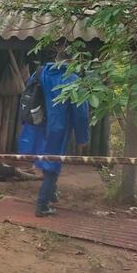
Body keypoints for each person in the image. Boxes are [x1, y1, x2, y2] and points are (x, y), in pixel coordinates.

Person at [18, 61, 89, 217]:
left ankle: (51, 192)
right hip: (58, 128)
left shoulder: (40, 73)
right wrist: (82, 137)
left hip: (37, 124)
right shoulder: (73, 80)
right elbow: (81, 112)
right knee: (52, 165)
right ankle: (42, 205)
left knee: (45, 159)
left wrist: (25, 119)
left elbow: (27, 96)